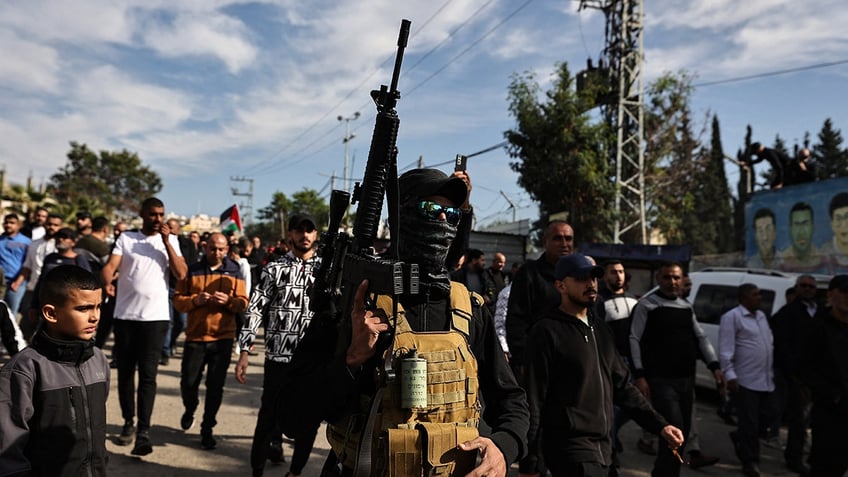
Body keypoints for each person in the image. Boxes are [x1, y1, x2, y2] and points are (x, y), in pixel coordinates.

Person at [291, 168, 528, 477]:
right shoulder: (356, 303)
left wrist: (504, 447)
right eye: (431, 208)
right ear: (400, 216)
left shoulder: (467, 307)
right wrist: (350, 360)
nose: (443, 220)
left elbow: (511, 399)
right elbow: (292, 417)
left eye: (452, 213)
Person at [522, 253, 684, 476]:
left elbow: (624, 387)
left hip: (605, 450)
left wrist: (661, 426)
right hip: (570, 451)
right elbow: (533, 399)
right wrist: (529, 463)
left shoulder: (601, 330)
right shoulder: (546, 331)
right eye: (580, 278)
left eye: (594, 277)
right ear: (560, 285)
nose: (590, 284)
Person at [235, 213, 322, 477]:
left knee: (309, 421)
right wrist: (244, 350)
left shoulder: (328, 270)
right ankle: (257, 471)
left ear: (316, 234)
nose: (304, 235)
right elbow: (256, 309)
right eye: (299, 230)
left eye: (309, 230)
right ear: (290, 235)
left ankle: (295, 472)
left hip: (313, 360)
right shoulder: (274, 268)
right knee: (267, 418)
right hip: (279, 359)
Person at [0, 265, 108, 476]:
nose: (94, 317)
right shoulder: (25, 369)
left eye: (98, 307)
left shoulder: (99, 360)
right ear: (51, 313)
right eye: (83, 309)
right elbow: (7, 449)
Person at [101, 197, 187, 456]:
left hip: (156, 318)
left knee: (148, 376)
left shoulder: (170, 240)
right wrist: (106, 282)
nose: (157, 218)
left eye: (161, 214)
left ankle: (144, 431)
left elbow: (181, 274)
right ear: (142, 214)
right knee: (126, 374)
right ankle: (128, 422)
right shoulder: (127, 239)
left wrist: (167, 243)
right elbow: (110, 267)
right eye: (152, 214)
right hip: (126, 316)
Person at [629, 261, 726, 477]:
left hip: (686, 379)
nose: (672, 282)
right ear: (658, 279)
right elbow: (634, 339)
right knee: (674, 432)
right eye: (667, 277)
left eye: (676, 278)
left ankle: (665, 473)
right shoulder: (647, 306)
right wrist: (640, 374)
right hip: (661, 380)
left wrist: (715, 367)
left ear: (682, 280)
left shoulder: (685, 307)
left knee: (681, 435)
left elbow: (700, 337)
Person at [173, 232, 248, 450]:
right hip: (196, 337)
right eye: (213, 248)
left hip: (222, 338)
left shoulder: (234, 271)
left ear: (227, 249)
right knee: (188, 382)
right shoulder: (192, 270)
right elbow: (178, 301)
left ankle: (208, 428)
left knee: (215, 387)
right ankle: (190, 407)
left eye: (221, 249)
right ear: (205, 248)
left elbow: (243, 303)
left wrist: (230, 302)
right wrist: (195, 300)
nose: (217, 253)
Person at [719, 283, 775, 477]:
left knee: (765, 420)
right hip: (745, 380)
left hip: (765, 379)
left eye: (759, 294)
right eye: (755, 295)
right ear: (743, 298)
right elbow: (726, 350)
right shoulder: (732, 317)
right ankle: (750, 462)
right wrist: (730, 375)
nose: (759, 298)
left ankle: (739, 436)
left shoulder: (761, 316)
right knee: (750, 423)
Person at [506, 220, 575, 378]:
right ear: (545, 242)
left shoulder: (578, 275)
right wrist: (522, 360)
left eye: (568, 238)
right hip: (538, 362)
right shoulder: (529, 274)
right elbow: (516, 320)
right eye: (558, 238)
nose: (564, 243)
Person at [800, 275, 848, 476]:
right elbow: (802, 367)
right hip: (830, 412)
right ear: (830, 294)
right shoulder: (818, 326)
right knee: (826, 466)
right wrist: (831, 395)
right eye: (844, 292)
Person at [770, 275, 816, 475]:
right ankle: (794, 457)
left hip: (820, 377)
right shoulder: (788, 313)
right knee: (798, 419)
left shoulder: (820, 311)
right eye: (803, 286)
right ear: (796, 288)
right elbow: (782, 346)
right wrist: (794, 374)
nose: (807, 289)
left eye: (810, 286)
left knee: (814, 421)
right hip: (797, 376)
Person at [777, 202, 825, 273]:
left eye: (805, 224)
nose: (801, 232)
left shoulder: (823, 260)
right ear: (790, 230)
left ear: (813, 227)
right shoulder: (781, 262)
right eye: (796, 225)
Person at [1, 213, 32, 315]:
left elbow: (29, 263)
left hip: (16, 283)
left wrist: (18, 282)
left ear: (18, 225)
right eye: (6, 222)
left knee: (10, 313)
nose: (8, 225)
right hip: (1, 282)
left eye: (12, 223)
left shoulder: (27, 242)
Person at [822, 192, 848, 274]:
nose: (844, 224)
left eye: (847, 217)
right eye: (838, 219)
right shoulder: (824, 253)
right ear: (832, 224)